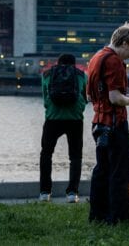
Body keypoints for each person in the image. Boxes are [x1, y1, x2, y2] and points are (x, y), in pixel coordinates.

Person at [87, 22, 129, 224]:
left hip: (98, 122)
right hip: (115, 124)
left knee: (102, 170)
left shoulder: (97, 57)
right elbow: (115, 98)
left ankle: (98, 214)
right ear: (124, 43)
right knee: (121, 172)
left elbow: (91, 95)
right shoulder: (114, 61)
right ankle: (119, 216)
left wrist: (123, 96)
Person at [39, 53, 87, 203]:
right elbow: (85, 97)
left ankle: (45, 192)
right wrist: (79, 109)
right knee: (75, 156)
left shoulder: (47, 74)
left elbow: (45, 97)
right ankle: (72, 193)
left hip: (53, 119)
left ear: (58, 63)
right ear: (74, 64)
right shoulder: (81, 75)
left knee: (46, 154)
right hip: (75, 119)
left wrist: (51, 109)